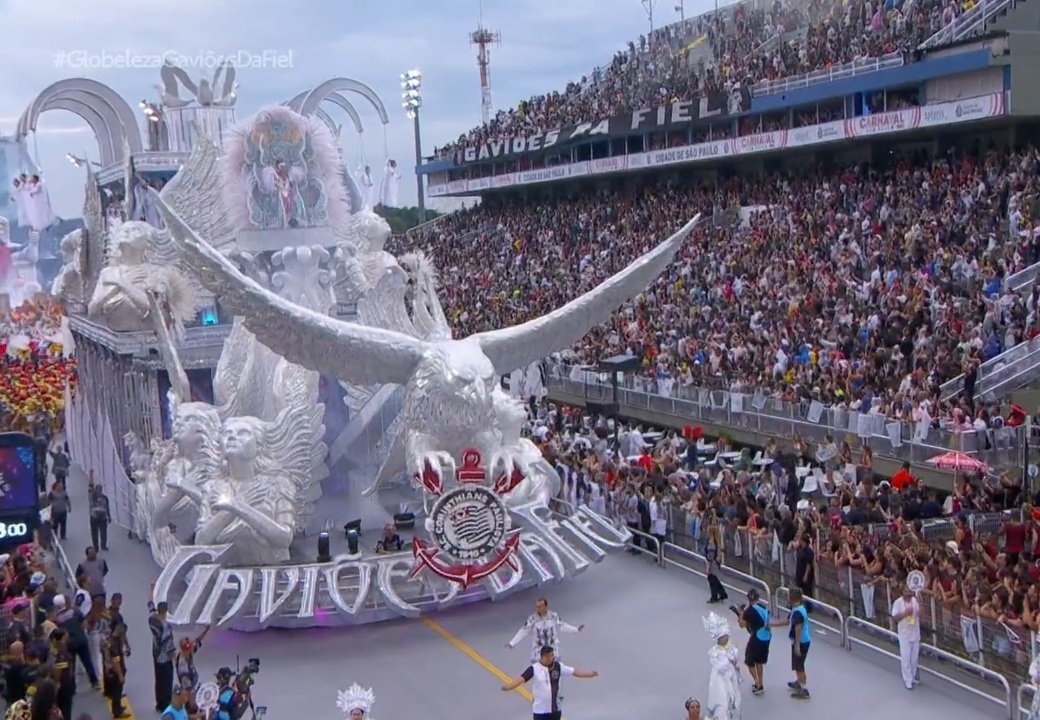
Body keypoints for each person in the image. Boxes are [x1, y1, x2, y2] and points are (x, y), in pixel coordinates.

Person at [501, 645, 598, 720]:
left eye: (552, 655)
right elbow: (521, 679)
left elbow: (574, 671)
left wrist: (590, 673)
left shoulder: (558, 666)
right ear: (543, 657)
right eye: (550, 656)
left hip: (555, 710)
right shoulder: (534, 669)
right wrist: (508, 686)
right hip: (540, 711)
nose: (552, 657)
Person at [506, 597, 584, 663]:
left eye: (539, 607)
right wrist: (512, 643)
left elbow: (563, 626)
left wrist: (576, 629)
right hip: (538, 649)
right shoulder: (532, 619)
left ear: (545, 607)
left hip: (552, 648)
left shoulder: (553, 616)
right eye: (537, 607)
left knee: (555, 670)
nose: (537, 609)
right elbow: (523, 631)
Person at [702, 612, 741, 720]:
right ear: (718, 639)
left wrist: (733, 662)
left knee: (733, 698)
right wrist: (729, 662)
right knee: (721, 701)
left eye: (726, 636)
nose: (726, 638)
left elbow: (735, 658)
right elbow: (719, 666)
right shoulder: (714, 652)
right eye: (723, 637)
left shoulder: (731, 647)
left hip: (731, 677)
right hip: (719, 680)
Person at [736, 588, 770, 694]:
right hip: (766, 637)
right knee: (759, 661)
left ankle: (757, 684)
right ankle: (761, 682)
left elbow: (742, 625)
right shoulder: (763, 607)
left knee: (750, 661)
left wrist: (741, 612)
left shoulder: (749, 611)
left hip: (756, 638)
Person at [149, 583, 176, 712]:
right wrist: (173, 655)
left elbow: (149, 604)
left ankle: (159, 703)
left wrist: (152, 589)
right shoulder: (165, 627)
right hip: (164, 657)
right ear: (165, 611)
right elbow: (168, 643)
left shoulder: (152, 619)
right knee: (166, 681)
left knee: (158, 679)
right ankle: (165, 703)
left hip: (155, 654)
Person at [891, 583, 921, 690]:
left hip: (915, 633)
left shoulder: (915, 601)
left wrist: (919, 602)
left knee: (914, 658)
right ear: (902, 592)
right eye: (905, 591)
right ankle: (907, 679)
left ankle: (912, 677)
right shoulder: (898, 603)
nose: (907, 594)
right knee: (905, 657)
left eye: (909, 591)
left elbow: (919, 613)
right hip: (904, 634)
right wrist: (905, 613)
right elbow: (894, 617)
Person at [783, 588, 811, 699]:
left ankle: (804, 689)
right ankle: (799, 682)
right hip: (801, 641)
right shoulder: (797, 609)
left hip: (801, 642)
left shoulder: (798, 613)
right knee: (797, 665)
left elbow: (798, 629)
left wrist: (797, 645)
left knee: (799, 666)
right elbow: (786, 621)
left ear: (792, 598)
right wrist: (769, 624)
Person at [102, 623, 129, 718]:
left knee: (116, 691)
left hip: (109, 670)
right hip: (115, 672)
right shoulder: (115, 644)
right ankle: (117, 712)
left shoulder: (109, 639)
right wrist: (120, 675)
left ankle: (118, 707)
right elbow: (115, 661)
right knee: (117, 692)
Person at [704, 511, 728, 604]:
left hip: (712, 561)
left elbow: (710, 555)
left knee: (711, 578)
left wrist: (708, 566)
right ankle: (722, 593)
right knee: (714, 578)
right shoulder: (716, 539)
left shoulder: (711, 542)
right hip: (715, 560)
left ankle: (715, 595)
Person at [87, 482, 111, 552]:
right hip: (94, 517)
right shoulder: (92, 498)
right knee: (94, 533)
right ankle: (95, 547)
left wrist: (109, 516)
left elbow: (107, 507)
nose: (99, 491)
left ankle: (103, 545)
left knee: (104, 532)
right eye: (98, 489)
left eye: (100, 489)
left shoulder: (105, 498)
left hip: (103, 517)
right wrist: (91, 476)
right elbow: (90, 491)